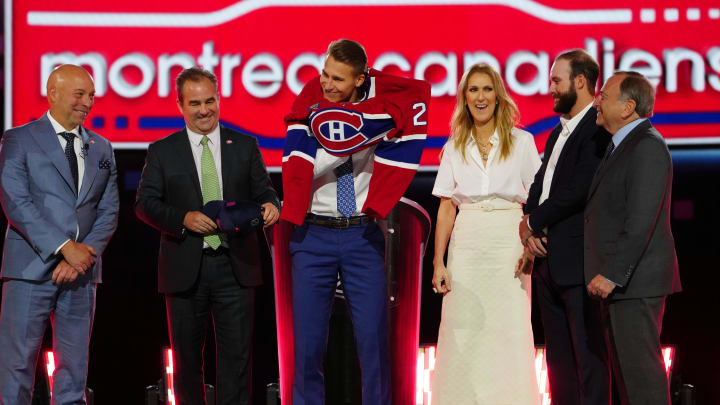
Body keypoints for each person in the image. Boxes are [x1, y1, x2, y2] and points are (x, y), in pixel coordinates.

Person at [281, 39, 429, 405]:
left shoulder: (381, 112)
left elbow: (409, 127)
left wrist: (367, 128)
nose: (327, 84)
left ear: (361, 80)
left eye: (338, 79)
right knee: (308, 346)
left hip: (362, 235)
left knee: (373, 343)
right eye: (324, 74)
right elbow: (303, 169)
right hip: (313, 235)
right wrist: (350, 140)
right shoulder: (308, 109)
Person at [135, 67, 280, 405]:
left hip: (237, 267)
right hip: (185, 267)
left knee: (238, 363)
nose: (204, 110)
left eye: (210, 100)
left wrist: (271, 206)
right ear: (180, 105)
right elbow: (145, 204)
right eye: (195, 103)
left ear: (220, 99)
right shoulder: (162, 150)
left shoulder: (244, 145)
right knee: (186, 364)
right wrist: (182, 218)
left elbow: (265, 193)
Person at [0, 64, 119, 404]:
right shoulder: (19, 138)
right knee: (17, 369)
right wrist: (65, 247)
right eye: (79, 94)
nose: (88, 102)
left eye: (92, 96)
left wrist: (83, 255)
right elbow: (16, 201)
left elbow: (109, 211)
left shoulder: (102, 147)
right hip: (30, 270)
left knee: (74, 373)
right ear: (53, 93)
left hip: (81, 274)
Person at [430, 63, 541, 404]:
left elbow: (537, 198)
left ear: (498, 95)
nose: (481, 96)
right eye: (474, 90)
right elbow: (447, 206)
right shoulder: (454, 146)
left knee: (509, 329)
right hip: (467, 242)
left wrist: (531, 246)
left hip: (509, 239)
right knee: (462, 330)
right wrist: (438, 261)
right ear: (465, 98)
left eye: (487, 89)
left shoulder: (523, 142)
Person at [519, 50, 611, 405]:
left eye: (557, 80)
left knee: (589, 361)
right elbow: (540, 186)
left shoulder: (596, 129)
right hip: (548, 264)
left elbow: (579, 189)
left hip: (580, 265)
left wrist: (532, 222)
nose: (551, 88)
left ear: (581, 82)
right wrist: (530, 228)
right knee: (558, 363)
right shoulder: (558, 131)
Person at [586, 71, 682, 405]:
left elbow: (641, 220)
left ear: (627, 107)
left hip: (634, 285)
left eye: (604, 94)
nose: (596, 100)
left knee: (643, 383)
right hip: (627, 287)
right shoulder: (623, 146)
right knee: (630, 384)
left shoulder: (646, 146)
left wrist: (612, 273)